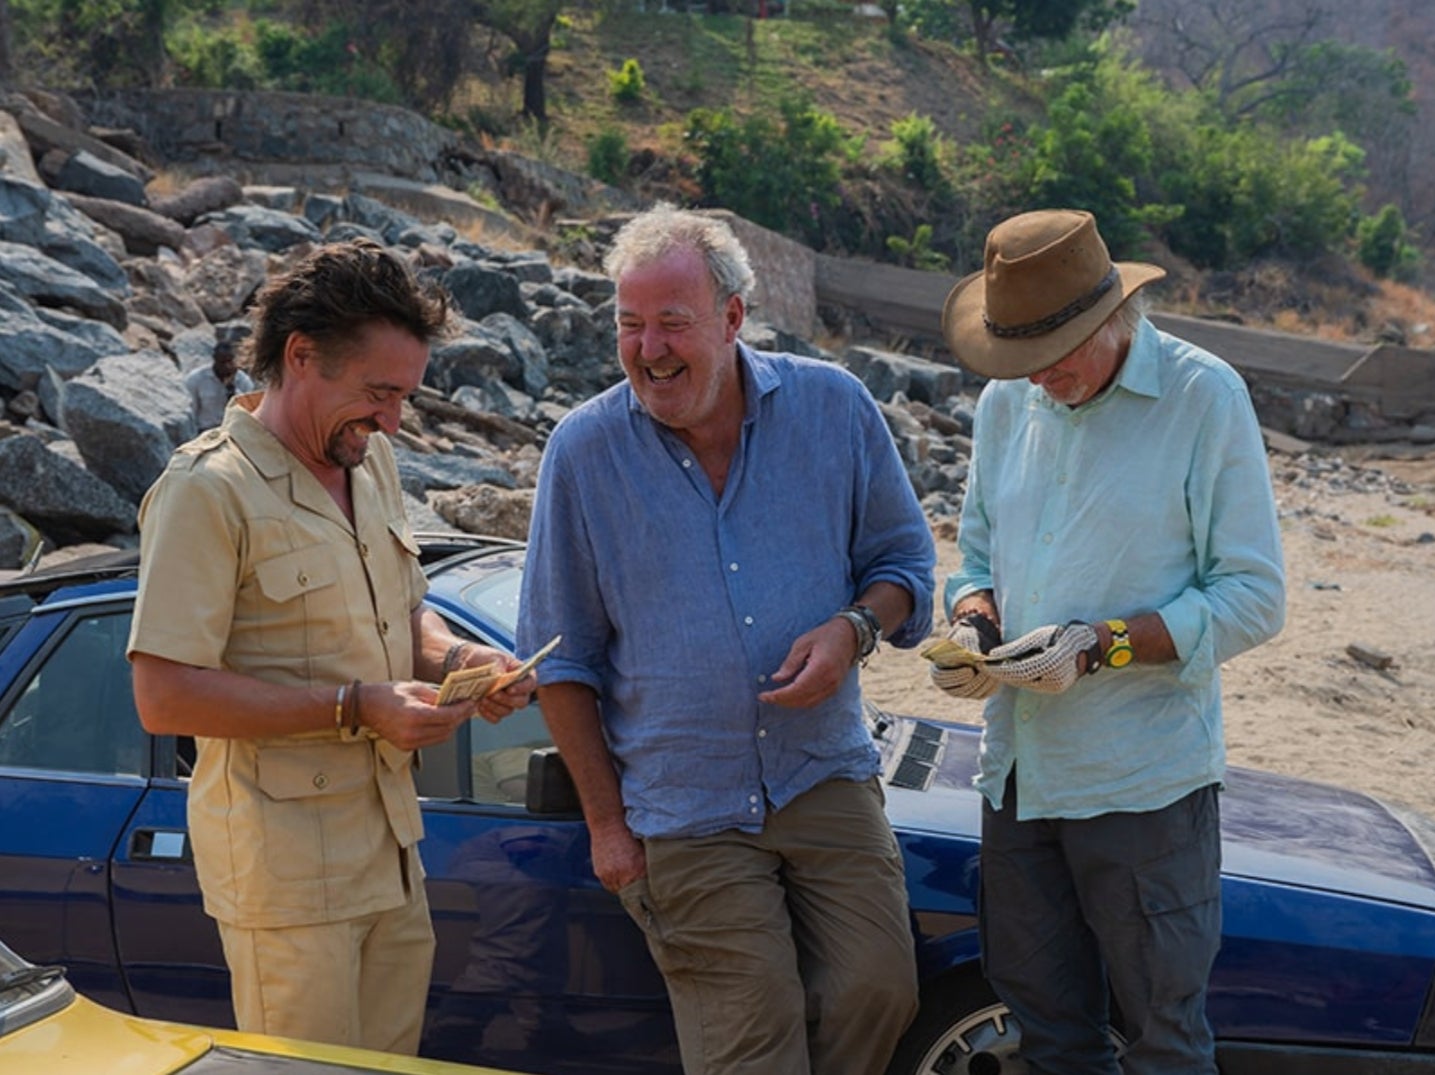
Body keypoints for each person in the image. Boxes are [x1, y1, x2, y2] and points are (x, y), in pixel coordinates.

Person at [517, 204, 935, 1075]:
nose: (648, 348)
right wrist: (607, 826)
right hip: (684, 805)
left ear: (733, 317)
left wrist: (854, 628)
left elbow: (904, 563)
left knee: (879, 987)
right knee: (754, 1033)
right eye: (629, 325)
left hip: (820, 769)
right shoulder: (583, 452)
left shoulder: (834, 407)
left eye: (672, 322)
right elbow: (561, 660)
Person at [127, 238, 535, 1056]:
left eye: (403, 398)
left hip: (389, 852)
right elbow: (163, 694)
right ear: (301, 355)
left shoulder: (370, 459)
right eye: (380, 393)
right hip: (284, 879)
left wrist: (459, 663)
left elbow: (402, 612)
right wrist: (355, 707)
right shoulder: (207, 489)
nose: (392, 420)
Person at [930, 208, 1286, 1074]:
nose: (1037, 377)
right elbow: (975, 552)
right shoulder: (1005, 400)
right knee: (1045, 1036)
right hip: (1018, 772)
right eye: (1018, 359)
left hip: (1142, 786)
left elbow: (1254, 597)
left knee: (1164, 1043)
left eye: (1053, 355)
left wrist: (1101, 646)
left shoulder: (1205, 397)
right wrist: (975, 619)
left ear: (1112, 317)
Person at [185, 337, 255, 431]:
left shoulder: (244, 382)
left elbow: (247, 412)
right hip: (205, 430)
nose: (226, 366)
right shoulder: (197, 379)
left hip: (233, 430)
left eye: (229, 362)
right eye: (222, 362)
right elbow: (192, 411)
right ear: (215, 360)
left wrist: (231, 389)